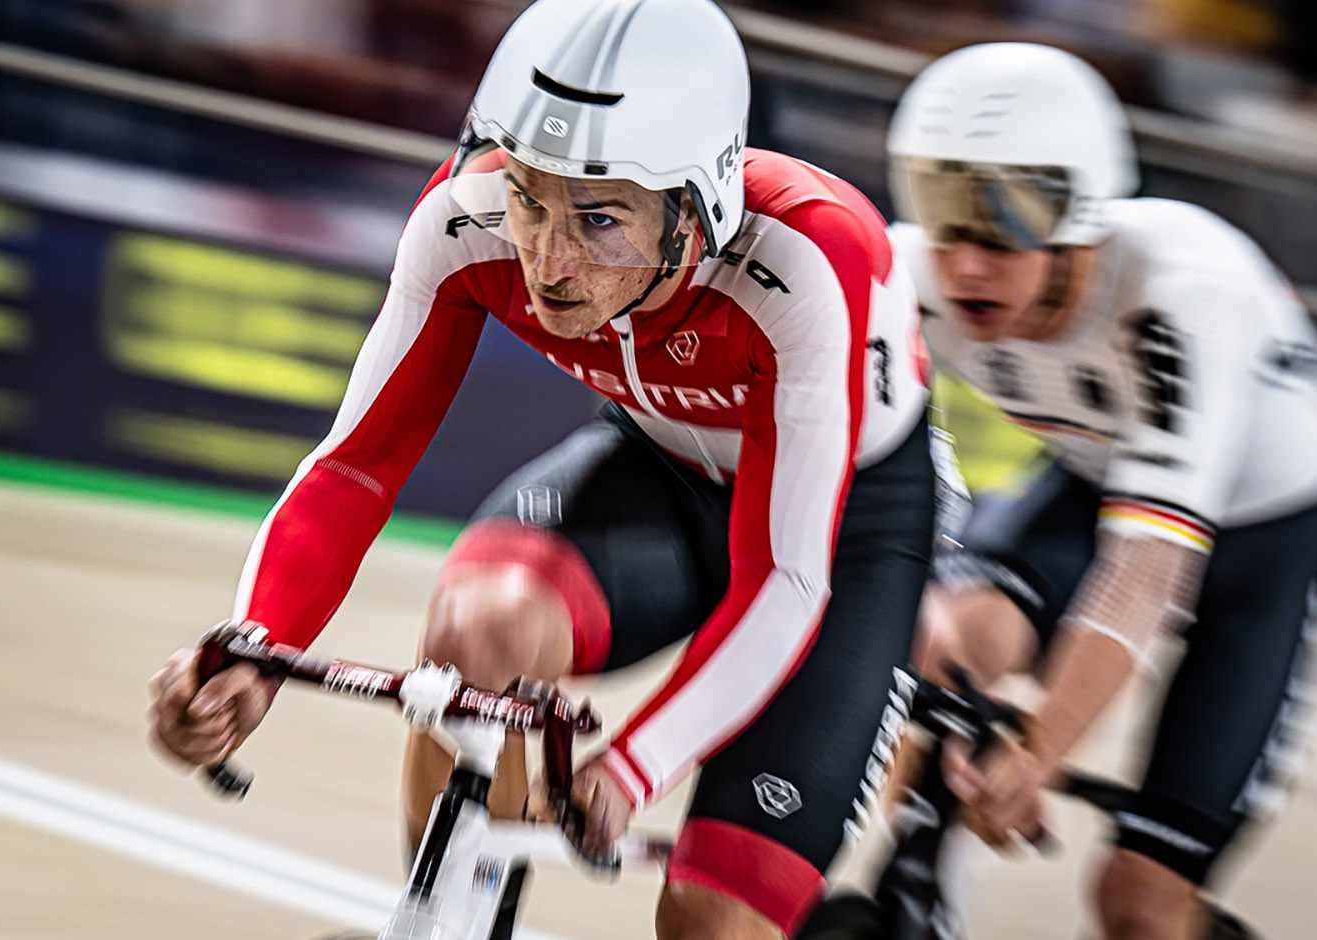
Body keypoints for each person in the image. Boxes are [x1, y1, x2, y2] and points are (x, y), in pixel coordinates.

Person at [146, 1, 936, 937]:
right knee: (476, 630)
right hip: (663, 464)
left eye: (598, 218)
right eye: (527, 195)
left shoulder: (809, 259)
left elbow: (787, 575)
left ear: (699, 205)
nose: (544, 261)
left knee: (712, 921)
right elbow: (355, 466)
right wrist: (254, 652)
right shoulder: (463, 215)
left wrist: (635, 766)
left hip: (847, 532)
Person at [873, 42, 1317, 940]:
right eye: (941, 207)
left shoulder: (1182, 292)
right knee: (944, 637)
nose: (966, 265)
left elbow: (1143, 581)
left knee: (1138, 904)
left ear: (1086, 215)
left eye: (1006, 217)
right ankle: (914, 900)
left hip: (1262, 550)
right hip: (1094, 486)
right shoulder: (910, 271)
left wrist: (1042, 750)